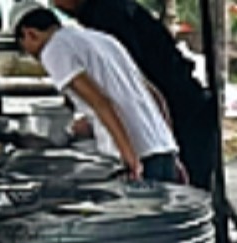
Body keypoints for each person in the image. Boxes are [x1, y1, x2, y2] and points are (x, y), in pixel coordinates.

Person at [47, 0, 218, 196]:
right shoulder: (109, 12)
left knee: (187, 205)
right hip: (174, 115)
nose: (55, 5)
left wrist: (129, 155)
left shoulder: (106, 16)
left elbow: (133, 83)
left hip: (182, 113)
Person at [14, 8, 180, 183]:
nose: (32, 57)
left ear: (29, 33)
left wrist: (129, 156)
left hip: (136, 157)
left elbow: (100, 102)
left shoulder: (54, 49)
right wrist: (173, 151)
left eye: (25, 49)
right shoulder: (104, 40)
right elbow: (154, 95)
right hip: (162, 148)